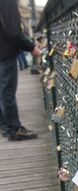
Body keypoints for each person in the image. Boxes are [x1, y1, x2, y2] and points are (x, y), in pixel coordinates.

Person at [0, 0, 41, 141]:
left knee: (2, 92)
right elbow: (13, 31)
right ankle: (14, 129)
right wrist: (31, 47)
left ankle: (6, 127)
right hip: (4, 53)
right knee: (7, 92)